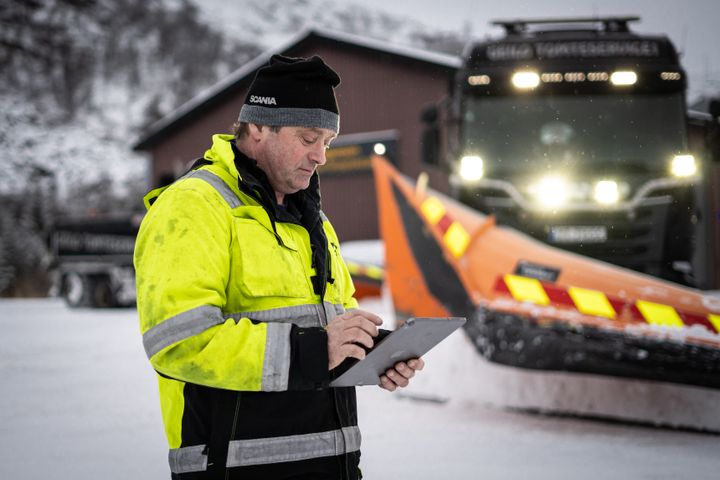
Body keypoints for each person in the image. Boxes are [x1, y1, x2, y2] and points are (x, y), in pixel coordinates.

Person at [134, 54, 424, 480]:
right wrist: (312, 350)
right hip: (235, 469)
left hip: (335, 466)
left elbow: (327, 330)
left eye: (327, 142)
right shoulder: (194, 206)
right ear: (257, 127)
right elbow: (178, 343)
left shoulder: (314, 222)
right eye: (309, 138)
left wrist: (371, 355)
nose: (321, 156)